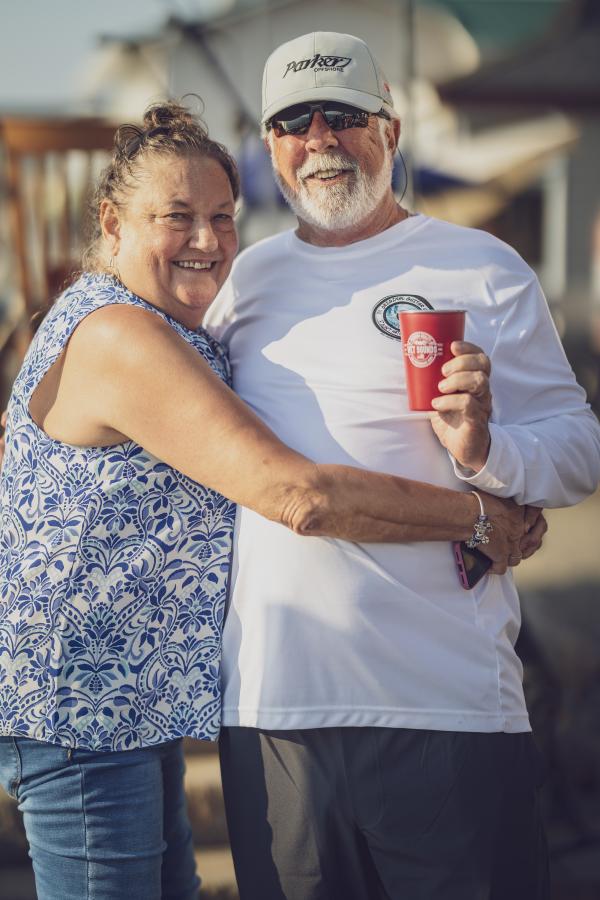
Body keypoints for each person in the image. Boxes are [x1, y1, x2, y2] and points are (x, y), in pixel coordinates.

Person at [0, 101, 530, 900]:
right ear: (112, 223)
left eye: (223, 216)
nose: (209, 240)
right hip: (81, 718)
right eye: (177, 217)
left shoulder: (128, 317)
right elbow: (298, 494)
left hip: (125, 709)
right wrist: (482, 518)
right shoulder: (122, 335)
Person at [203, 32, 600, 900]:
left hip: (448, 702)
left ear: (390, 127)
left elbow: (579, 449)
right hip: (274, 708)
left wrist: (487, 451)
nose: (319, 139)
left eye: (342, 115)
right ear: (269, 144)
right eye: (293, 122)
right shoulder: (240, 284)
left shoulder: (483, 265)